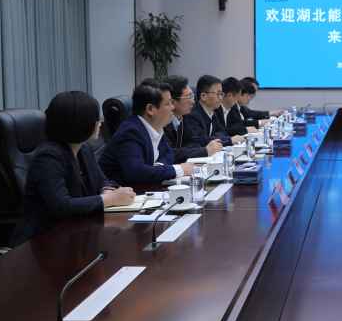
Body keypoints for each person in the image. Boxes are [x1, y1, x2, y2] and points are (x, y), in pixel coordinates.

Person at [12, 91, 135, 244]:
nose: (100, 123)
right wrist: (109, 199)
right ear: (80, 123)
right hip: (42, 241)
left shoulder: (83, 148)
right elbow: (61, 206)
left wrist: (107, 190)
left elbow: (102, 181)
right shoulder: (48, 157)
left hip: (76, 232)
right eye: (96, 119)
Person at [98, 81, 196, 185]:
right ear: (150, 109)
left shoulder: (156, 126)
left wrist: (158, 167)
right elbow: (136, 172)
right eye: (168, 103)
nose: (173, 107)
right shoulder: (130, 132)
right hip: (120, 191)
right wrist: (179, 169)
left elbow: (169, 153)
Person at [164, 75, 222, 160]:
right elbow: (169, 153)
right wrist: (204, 151)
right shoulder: (163, 122)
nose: (193, 101)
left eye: (192, 96)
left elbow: (193, 142)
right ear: (173, 102)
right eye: (189, 97)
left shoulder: (182, 118)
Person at [184, 74, 246, 147]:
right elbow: (200, 140)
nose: (221, 98)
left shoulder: (212, 113)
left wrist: (221, 138)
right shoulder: (193, 115)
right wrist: (229, 140)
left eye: (221, 94)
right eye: (218, 94)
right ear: (203, 96)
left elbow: (222, 132)